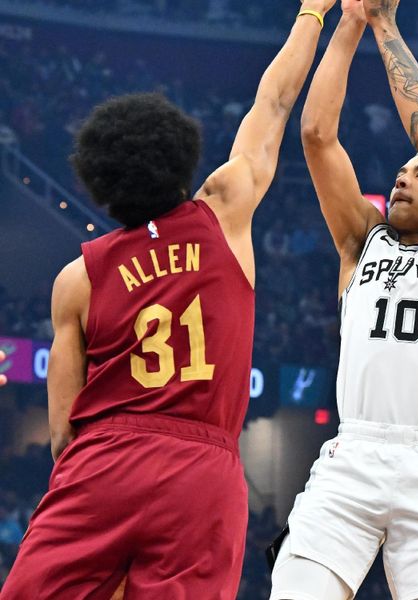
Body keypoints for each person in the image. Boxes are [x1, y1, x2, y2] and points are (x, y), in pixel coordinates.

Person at [0, 1, 336, 597]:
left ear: (101, 184)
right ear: (179, 159)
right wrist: (312, 11)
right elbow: (275, 102)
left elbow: (60, 436)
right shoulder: (224, 210)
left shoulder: (77, 277)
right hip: (201, 468)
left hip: (103, 459)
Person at [269, 1, 418, 598]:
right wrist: (349, 19)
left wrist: (386, 24)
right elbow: (318, 136)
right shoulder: (359, 243)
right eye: (400, 174)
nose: (404, 177)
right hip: (353, 456)